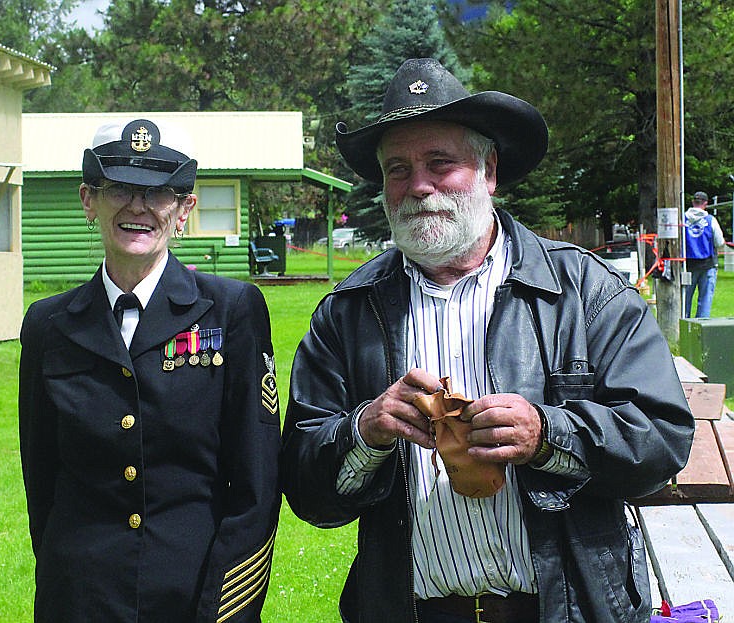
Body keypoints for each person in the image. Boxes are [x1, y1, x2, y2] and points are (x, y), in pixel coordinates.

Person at [280, 58, 694, 623]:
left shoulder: (585, 293)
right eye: (397, 169)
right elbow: (308, 494)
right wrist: (366, 430)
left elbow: (663, 439)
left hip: (564, 610)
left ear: (489, 170)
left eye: (439, 163)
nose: (418, 185)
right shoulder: (348, 314)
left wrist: (548, 434)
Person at [19, 118, 280, 622]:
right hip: (78, 600)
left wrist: (224, 610)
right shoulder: (49, 325)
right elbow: (43, 485)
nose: (137, 207)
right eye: (119, 188)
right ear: (88, 200)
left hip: (193, 599)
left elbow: (256, 488)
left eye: (158, 193)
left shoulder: (231, 311)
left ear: (184, 209)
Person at [684, 190, 725, 318]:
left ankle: (684, 326)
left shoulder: (683, 219)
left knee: (685, 300)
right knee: (705, 301)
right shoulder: (710, 220)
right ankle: (702, 329)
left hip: (688, 266)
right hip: (707, 266)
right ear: (705, 203)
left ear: (693, 202)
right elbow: (719, 242)